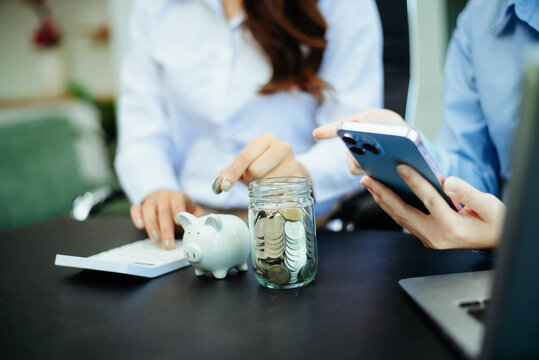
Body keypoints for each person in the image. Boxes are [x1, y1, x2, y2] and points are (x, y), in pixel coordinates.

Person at [115, 0, 383, 249]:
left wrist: (301, 177)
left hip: (303, 227)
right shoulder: (154, 8)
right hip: (191, 232)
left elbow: (355, 136)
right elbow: (141, 133)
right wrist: (157, 189)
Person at [314, 0, 539, 249]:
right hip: (501, 272)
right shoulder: (481, 16)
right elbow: (475, 172)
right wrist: (408, 149)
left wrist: (515, 238)